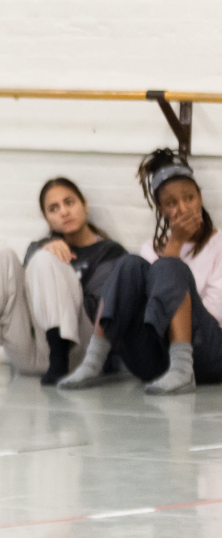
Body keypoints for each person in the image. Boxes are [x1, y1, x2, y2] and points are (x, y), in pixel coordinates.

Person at [0, 178, 126, 384]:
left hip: (77, 353)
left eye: (69, 202)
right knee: (1, 257)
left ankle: (59, 360)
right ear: (47, 218)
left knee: (45, 259)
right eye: (53, 209)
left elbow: (100, 312)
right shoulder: (40, 246)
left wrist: (64, 280)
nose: (64, 212)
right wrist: (47, 246)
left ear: (84, 204)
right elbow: (26, 288)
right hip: (32, 354)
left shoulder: (109, 252)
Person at [58, 149, 222, 395]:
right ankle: (93, 362)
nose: (183, 208)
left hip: (207, 354)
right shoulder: (151, 249)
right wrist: (173, 245)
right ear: (161, 209)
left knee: (169, 266)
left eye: (189, 198)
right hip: (155, 360)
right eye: (171, 203)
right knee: (128, 264)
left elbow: (215, 311)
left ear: (200, 197)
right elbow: (142, 311)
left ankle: (182, 369)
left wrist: (174, 249)